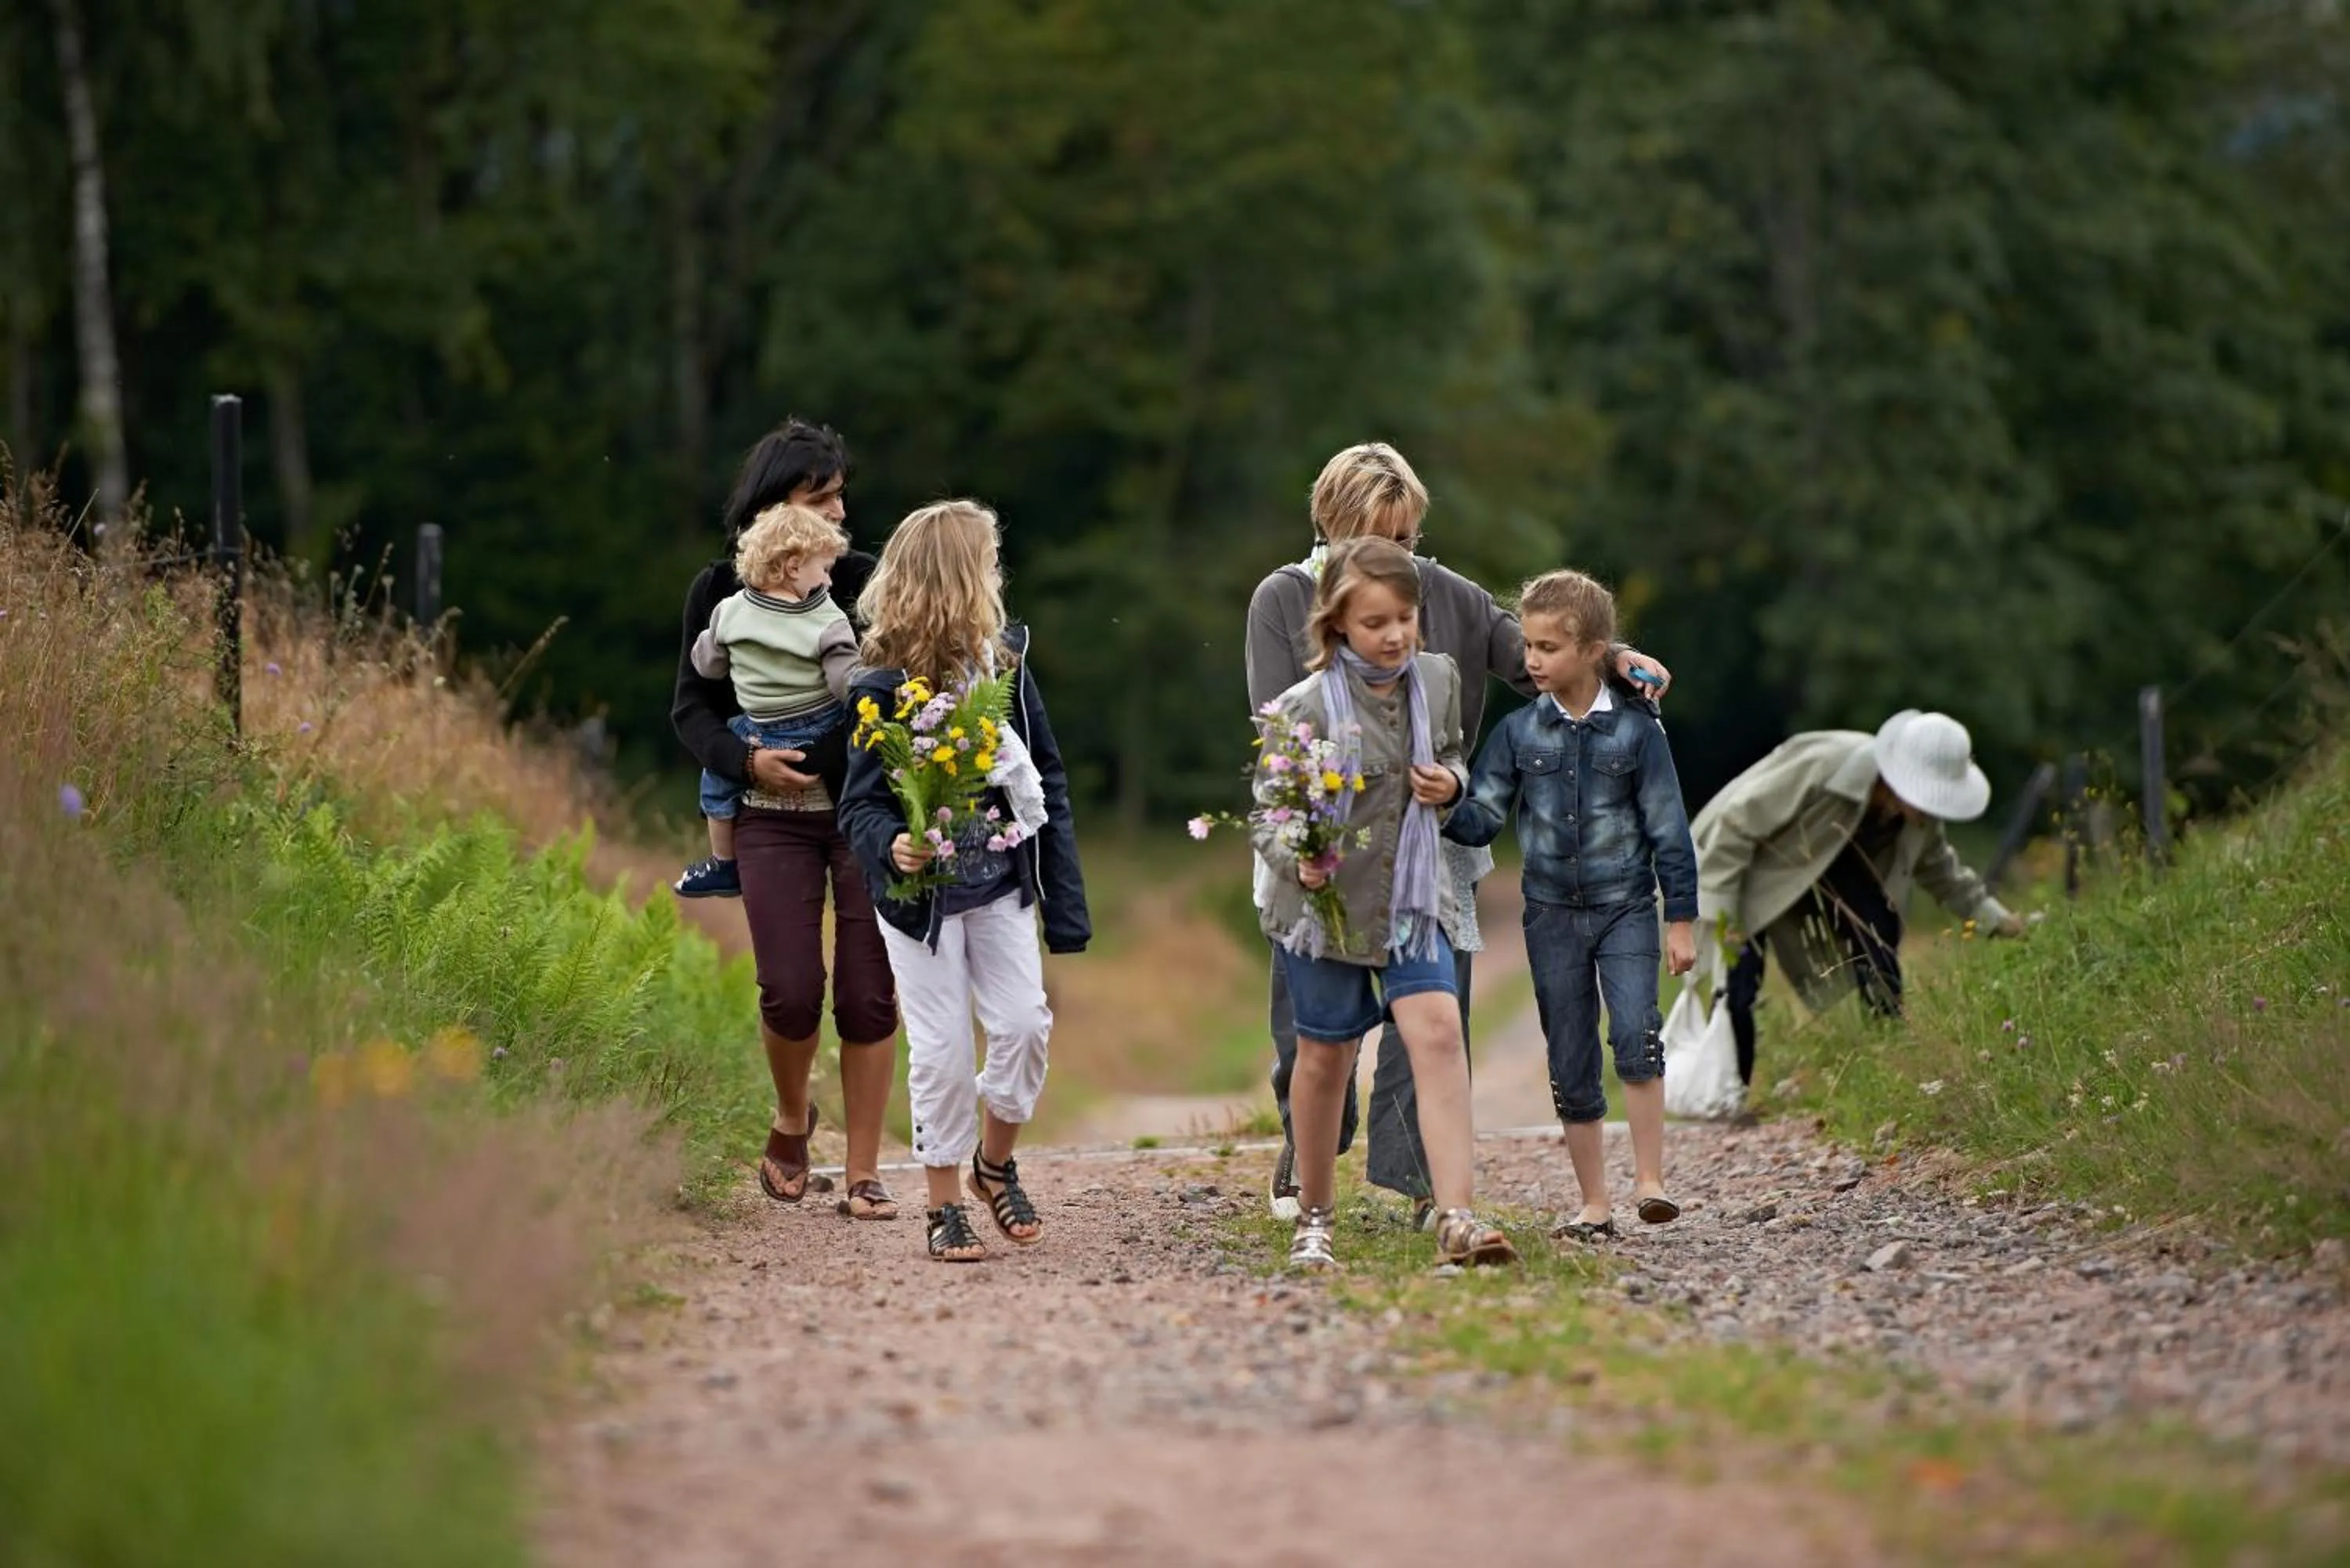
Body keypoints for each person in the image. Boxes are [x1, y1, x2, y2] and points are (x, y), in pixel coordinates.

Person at [1244, 441, 1673, 1225]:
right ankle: (1309, 1145)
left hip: (1427, 837)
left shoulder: (1449, 596)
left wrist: (1612, 660)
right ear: (1331, 530)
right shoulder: (1283, 599)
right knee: (1310, 1022)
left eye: (1405, 539)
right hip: (1327, 839)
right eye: (1376, 538)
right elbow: (1281, 726)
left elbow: (1532, 650)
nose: (1395, 556)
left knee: (1433, 1018)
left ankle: (1417, 1185)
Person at [1252, 535, 1515, 1271]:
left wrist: (1454, 785)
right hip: (1324, 908)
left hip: (1413, 894)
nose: (1395, 634)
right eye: (1376, 623)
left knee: (1437, 1034)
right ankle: (1315, 1216)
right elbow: (1271, 809)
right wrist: (1298, 861)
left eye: (1405, 618)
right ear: (1336, 625)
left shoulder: (1437, 680)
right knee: (1325, 1058)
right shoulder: (1300, 707)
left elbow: (1456, 751)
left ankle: (1458, 1218)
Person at [837, 500, 1091, 1263]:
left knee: (1023, 1025)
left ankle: (994, 1162)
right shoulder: (878, 685)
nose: (996, 577)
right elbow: (859, 803)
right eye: (986, 564)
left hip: (1002, 880)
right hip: (920, 903)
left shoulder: (1005, 666)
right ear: (956, 579)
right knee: (943, 1049)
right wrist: (893, 847)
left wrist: (1067, 905)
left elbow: (1046, 775)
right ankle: (944, 1202)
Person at [670, 418, 900, 1219]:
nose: (840, 512)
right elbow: (691, 708)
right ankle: (792, 1117)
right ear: (776, 509)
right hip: (768, 815)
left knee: (871, 993)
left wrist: (834, 755)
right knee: (791, 989)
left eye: (841, 495)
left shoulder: (866, 582)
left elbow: (881, 691)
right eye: (821, 497)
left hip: (865, 814)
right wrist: (745, 764)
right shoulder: (718, 594)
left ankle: (867, 1168)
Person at [1445, 570, 1698, 1241]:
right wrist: (1441, 800)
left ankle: (1650, 1182)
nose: (1531, 660)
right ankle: (1594, 1202)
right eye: (1527, 645)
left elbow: (1670, 828)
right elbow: (1483, 817)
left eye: (1548, 648)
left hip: (1626, 907)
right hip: (1550, 913)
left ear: (1593, 650)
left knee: (1637, 1031)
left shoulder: (1639, 735)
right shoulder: (1517, 733)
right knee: (1570, 1050)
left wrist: (1680, 920)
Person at [1692, 710, 2024, 1086]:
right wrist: (1722, 916)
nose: (1930, 809)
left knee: (1879, 935)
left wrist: (1998, 920)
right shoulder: (1823, 765)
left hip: (1834, 865)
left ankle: (1894, 1064)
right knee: (1740, 979)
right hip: (1751, 868)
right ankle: (1729, 1090)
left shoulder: (1920, 817)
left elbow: (1942, 871)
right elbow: (1736, 824)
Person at [678, 502, 858, 897]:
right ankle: (855, 830)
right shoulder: (826, 618)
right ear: (794, 567)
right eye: (825, 571)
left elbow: (707, 666)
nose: (829, 583)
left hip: (759, 730)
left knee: (716, 781)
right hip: (820, 723)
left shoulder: (728, 611)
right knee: (850, 767)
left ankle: (723, 863)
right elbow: (845, 681)